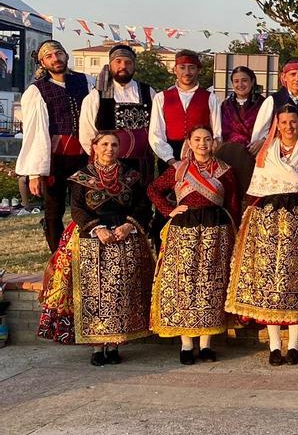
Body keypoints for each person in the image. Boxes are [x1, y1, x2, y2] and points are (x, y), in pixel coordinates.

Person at [225, 105, 298, 365]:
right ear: (276, 125)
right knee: (270, 280)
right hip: (267, 220)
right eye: (284, 122)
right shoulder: (268, 152)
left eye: (293, 121)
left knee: (294, 279)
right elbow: (255, 190)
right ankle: (274, 346)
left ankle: (293, 345)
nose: (288, 126)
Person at [37, 131, 154, 365]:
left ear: (119, 148)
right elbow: (78, 208)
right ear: (95, 147)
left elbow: (143, 205)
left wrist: (128, 226)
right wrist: (97, 228)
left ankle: (114, 345)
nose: (109, 149)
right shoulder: (81, 177)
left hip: (123, 235)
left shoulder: (131, 176)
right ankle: (96, 347)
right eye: (104, 144)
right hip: (90, 237)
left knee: (120, 292)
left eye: (113, 145)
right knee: (92, 293)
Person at [146, 124, 240, 364]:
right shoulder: (179, 170)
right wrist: (169, 210)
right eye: (197, 139)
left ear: (214, 143)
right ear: (189, 141)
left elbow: (232, 203)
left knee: (210, 284)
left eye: (207, 139)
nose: (202, 144)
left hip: (215, 229)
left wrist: (235, 231)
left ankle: (206, 344)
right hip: (184, 228)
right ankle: (187, 344)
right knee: (184, 282)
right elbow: (153, 190)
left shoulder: (225, 170)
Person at [15, 39, 94, 251]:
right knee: (53, 209)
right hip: (55, 159)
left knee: (87, 205)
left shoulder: (86, 81)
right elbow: (34, 131)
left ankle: (84, 250)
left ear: (66, 56)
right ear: (42, 62)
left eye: (58, 53)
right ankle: (57, 255)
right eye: (48, 56)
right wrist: (35, 172)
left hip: (84, 157)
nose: (55, 58)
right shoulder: (36, 91)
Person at [79, 44, 155, 187]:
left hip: (142, 164)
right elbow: (87, 133)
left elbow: (156, 127)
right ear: (110, 64)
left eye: (128, 62)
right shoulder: (96, 95)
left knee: (141, 206)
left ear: (134, 65)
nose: (123, 66)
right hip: (108, 165)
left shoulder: (148, 92)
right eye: (118, 62)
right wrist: (101, 159)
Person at [149, 50, 221, 166]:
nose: (187, 72)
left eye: (191, 68)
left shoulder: (211, 98)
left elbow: (217, 133)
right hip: (170, 157)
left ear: (198, 70)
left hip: (201, 157)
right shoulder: (161, 97)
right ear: (175, 70)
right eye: (182, 67)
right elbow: (156, 133)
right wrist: (170, 159)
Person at [215, 65, 264, 196]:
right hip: (227, 157)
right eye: (236, 81)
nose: (240, 84)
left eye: (244, 80)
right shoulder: (224, 106)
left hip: (253, 156)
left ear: (252, 81)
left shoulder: (264, 104)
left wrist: (263, 141)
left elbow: (272, 129)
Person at [250, 57, 298, 144]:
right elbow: (259, 133)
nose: (297, 79)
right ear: (284, 77)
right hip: (278, 152)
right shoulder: (272, 100)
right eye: (293, 74)